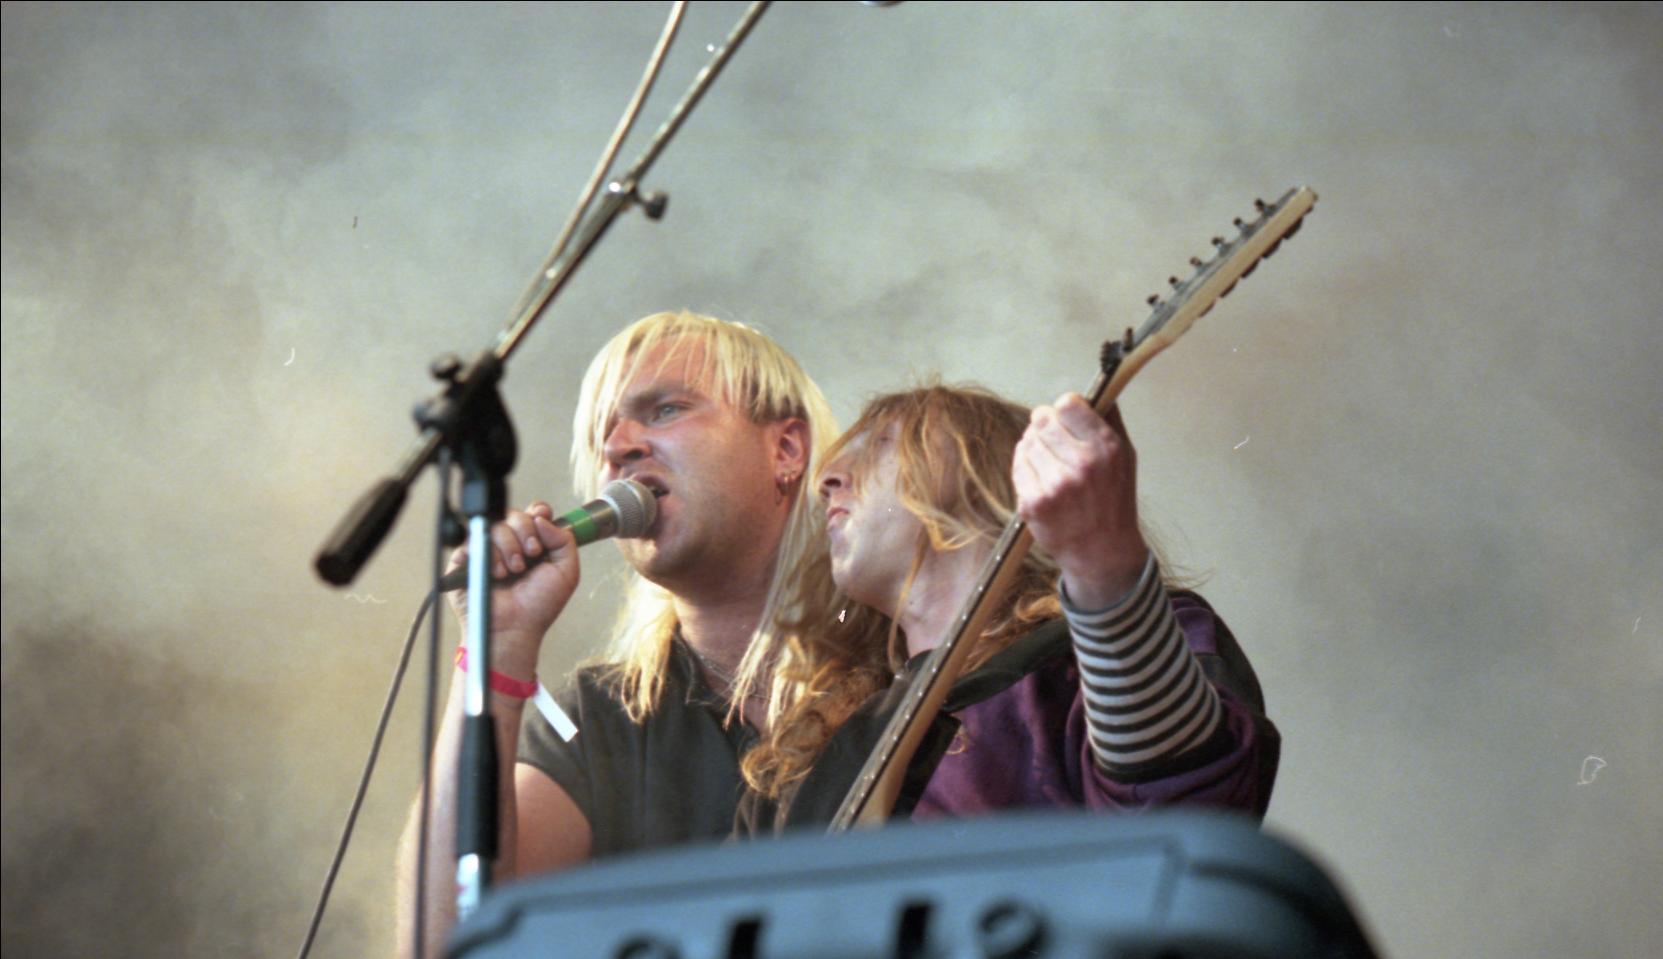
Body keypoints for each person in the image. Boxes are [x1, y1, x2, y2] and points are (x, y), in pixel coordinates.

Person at [396, 312, 881, 957]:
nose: (619, 445)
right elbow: (445, 944)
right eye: (605, 431)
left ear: (786, 449)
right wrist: (497, 643)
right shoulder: (603, 719)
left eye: (665, 410)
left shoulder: (900, 657)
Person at [738, 383, 1278, 831]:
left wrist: (1103, 569)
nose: (827, 479)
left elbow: (1180, 812)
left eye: (881, 443)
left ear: (990, 478)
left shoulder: (1084, 659)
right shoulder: (810, 753)